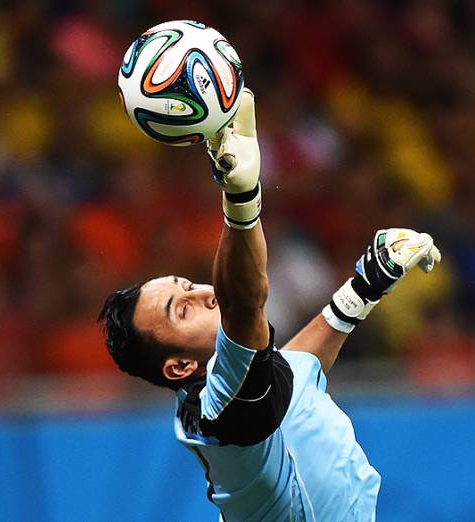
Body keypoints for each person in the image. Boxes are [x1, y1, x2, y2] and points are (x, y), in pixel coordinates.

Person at [98, 90, 441, 522]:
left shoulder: (244, 385)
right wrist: (241, 202)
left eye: (186, 285)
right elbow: (244, 304)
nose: (202, 294)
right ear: (180, 368)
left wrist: (362, 289)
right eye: (182, 311)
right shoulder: (219, 408)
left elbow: (293, 371)